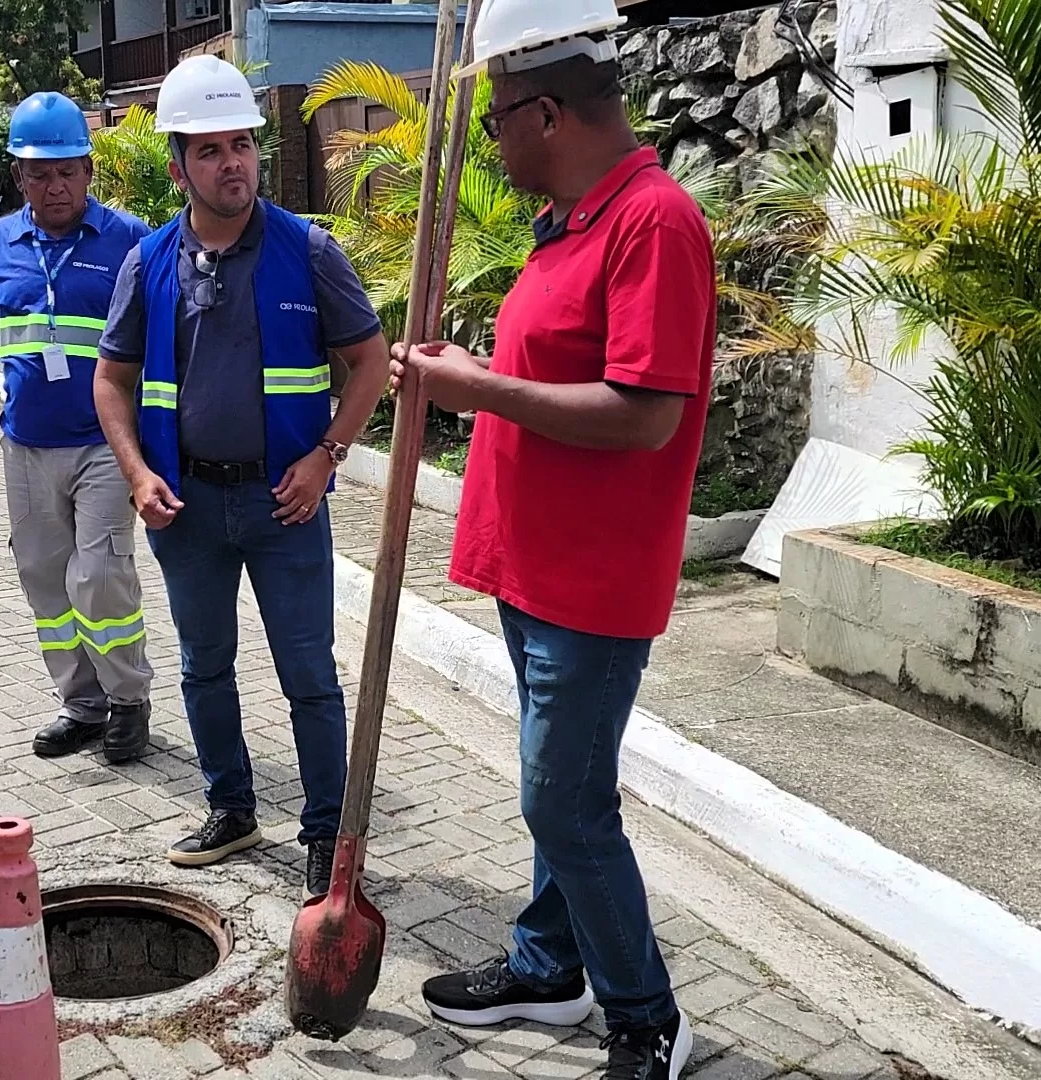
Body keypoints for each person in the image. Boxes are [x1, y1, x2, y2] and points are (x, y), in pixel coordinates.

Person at [390, 2, 713, 1078]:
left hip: (592, 578)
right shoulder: (574, 222)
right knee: (561, 787)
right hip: (533, 567)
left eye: (492, 126)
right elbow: (562, 370)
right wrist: (478, 373)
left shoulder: (651, 223)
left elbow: (644, 411)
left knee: (561, 799)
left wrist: (475, 386)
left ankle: (647, 1019)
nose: (489, 147)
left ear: (544, 113)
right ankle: (547, 966)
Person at [93, 55, 392, 898]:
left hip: (284, 506)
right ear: (177, 164)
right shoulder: (148, 262)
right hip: (184, 508)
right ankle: (231, 809)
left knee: (308, 676)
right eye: (212, 149)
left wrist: (327, 454)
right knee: (203, 666)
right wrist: (136, 472)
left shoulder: (308, 250)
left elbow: (369, 363)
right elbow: (110, 381)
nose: (234, 163)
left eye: (244, 145)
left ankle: (327, 835)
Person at [0, 92, 156, 764]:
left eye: (66, 171)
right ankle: (82, 705)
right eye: (38, 173)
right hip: (25, 443)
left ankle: (128, 700)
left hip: (105, 445)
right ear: (18, 176)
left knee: (101, 576)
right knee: (46, 581)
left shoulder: (132, 242)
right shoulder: (1, 241)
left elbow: (164, 347)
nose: (53, 186)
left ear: (89, 171)